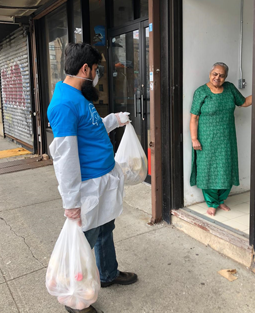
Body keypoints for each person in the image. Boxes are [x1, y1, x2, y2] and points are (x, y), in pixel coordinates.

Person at [48, 43, 138, 313]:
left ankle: (108, 273)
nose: (97, 75)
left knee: (104, 231)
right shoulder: (64, 104)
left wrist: (114, 120)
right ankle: (73, 299)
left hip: (102, 183)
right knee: (84, 241)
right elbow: (65, 158)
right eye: (96, 70)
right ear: (85, 69)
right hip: (87, 188)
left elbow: (92, 128)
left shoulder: (78, 98)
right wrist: (71, 201)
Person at [189, 62, 253, 216]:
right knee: (208, 169)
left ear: (226, 77)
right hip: (206, 139)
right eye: (215, 74)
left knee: (226, 168)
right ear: (210, 74)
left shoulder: (230, 88)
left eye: (221, 75)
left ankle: (221, 200)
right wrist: (194, 139)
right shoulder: (201, 92)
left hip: (226, 138)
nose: (217, 77)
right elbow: (194, 118)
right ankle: (212, 202)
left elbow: (244, 102)